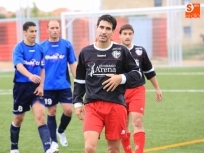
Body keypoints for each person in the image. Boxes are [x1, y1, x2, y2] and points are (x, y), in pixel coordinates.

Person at [73, 14, 142, 153]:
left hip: (116, 105)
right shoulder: (86, 52)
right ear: (96, 28)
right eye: (101, 27)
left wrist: (121, 78)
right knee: (89, 147)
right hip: (93, 106)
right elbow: (80, 79)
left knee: (113, 149)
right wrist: (77, 102)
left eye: (108, 28)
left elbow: (137, 74)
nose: (104, 31)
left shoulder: (121, 51)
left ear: (113, 32)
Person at [10, 21, 58, 153]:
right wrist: (30, 75)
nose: (34, 34)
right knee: (19, 118)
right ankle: (14, 147)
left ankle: (47, 149)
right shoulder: (18, 48)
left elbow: (42, 68)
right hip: (21, 88)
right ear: (25, 32)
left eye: (36, 31)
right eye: (31, 31)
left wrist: (41, 85)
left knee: (40, 116)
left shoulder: (40, 48)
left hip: (36, 88)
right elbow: (19, 65)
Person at [119, 24, 162, 153]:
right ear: (120, 35)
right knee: (123, 125)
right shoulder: (114, 51)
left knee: (137, 122)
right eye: (125, 34)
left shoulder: (140, 51)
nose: (127, 36)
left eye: (130, 33)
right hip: (119, 92)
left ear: (133, 35)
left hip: (137, 90)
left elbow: (149, 71)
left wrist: (157, 88)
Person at [40, 20, 77, 150]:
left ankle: (60, 131)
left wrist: (77, 81)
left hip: (64, 85)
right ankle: (54, 142)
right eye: (52, 28)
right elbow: (38, 67)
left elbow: (72, 63)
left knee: (68, 110)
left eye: (57, 27)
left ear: (59, 29)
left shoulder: (66, 45)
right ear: (47, 30)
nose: (55, 30)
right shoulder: (41, 47)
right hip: (48, 87)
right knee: (52, 112)